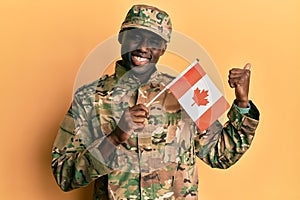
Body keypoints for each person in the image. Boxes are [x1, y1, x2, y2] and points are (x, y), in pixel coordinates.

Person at [52, 4, 260, 200]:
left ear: (163, 48)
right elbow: (64, 175)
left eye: (153, 41)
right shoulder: (89, 98)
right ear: (121, 38)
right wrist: (115, 137)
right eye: (135, 37)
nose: (143, 47)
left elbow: (221, 155)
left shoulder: (188, 91)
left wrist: (242, 103)